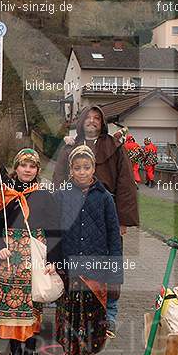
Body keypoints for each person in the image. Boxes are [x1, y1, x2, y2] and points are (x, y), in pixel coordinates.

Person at [51, 106, 138, 336]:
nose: (92, 121)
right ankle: (69, 320)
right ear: (81, 122)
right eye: (88, 118)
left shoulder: (115, 146)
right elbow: (59, 177)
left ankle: (108, 315)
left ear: (102, 123)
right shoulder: (70, 145)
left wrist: (123, 219)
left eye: (96, 118)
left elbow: (126, 183)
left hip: (102, 211)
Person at [52, 145, 123, 355]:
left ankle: (89, 353)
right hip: (69, 263)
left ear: (93, 168)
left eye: (87, 167)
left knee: (92, 313)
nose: (82, 172)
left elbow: (114, 234)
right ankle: (71, 353)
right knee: (70, 312)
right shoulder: (62, 196)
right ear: (71, 170)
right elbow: (55, 231)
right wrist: (54, 262)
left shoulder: (104, 198)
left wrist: (115, 271)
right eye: (77, 168)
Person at [0, 148, 61, 355]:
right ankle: (15, 353)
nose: (27, 170)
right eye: (23, 165)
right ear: (16, 168)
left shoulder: (44, 195)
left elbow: (54, 229)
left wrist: (53, 258)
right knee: (12, 307)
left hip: (35, 254)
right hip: (11, 257)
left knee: (33, 305)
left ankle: (30, 351)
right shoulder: (4, 194)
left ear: (37, 170)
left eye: (32, 166)